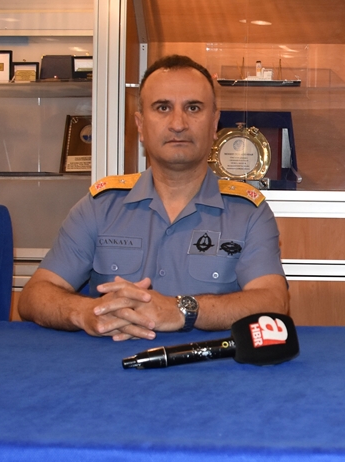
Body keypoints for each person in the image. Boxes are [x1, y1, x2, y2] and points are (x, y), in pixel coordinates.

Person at [19, 54, 288, 340]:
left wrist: (181, 310)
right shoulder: (100, 206)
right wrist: (87, 312)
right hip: (109, 361)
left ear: (214, 124)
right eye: (162, 107)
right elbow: (35, 295)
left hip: (207, 364)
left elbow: (273, 302)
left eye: (193, 108)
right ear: (140, 125)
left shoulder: (248, 212)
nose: (178, 124)